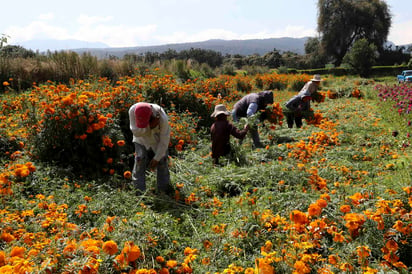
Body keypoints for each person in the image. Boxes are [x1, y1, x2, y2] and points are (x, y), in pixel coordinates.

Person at [129, 102, 172, 195]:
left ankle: (164, 191)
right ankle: (139, 192)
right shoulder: (132, 111)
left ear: (151, 115)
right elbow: (136, 132)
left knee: (162, 161)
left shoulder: (162, 117)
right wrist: (150, 127)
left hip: (157, 140)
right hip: (140, 140)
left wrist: (157, 158)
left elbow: (164, 139)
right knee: (139, 161)